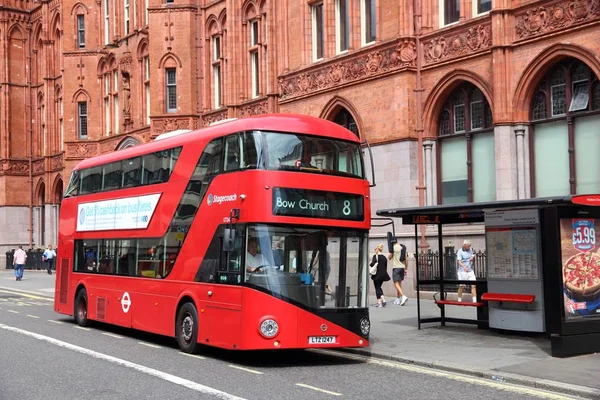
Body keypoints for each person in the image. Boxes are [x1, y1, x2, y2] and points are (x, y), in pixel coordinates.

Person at [388, 241, 408, 306]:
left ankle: (403, 296)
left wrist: (391, 253)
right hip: (402, 267)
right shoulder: (403, 247)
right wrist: (406, 269)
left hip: (396, 268)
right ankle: (398, 299)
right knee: (399, 284)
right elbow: (406, 259)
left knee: (395, 283)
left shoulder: (393, 248)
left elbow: (389, 257)